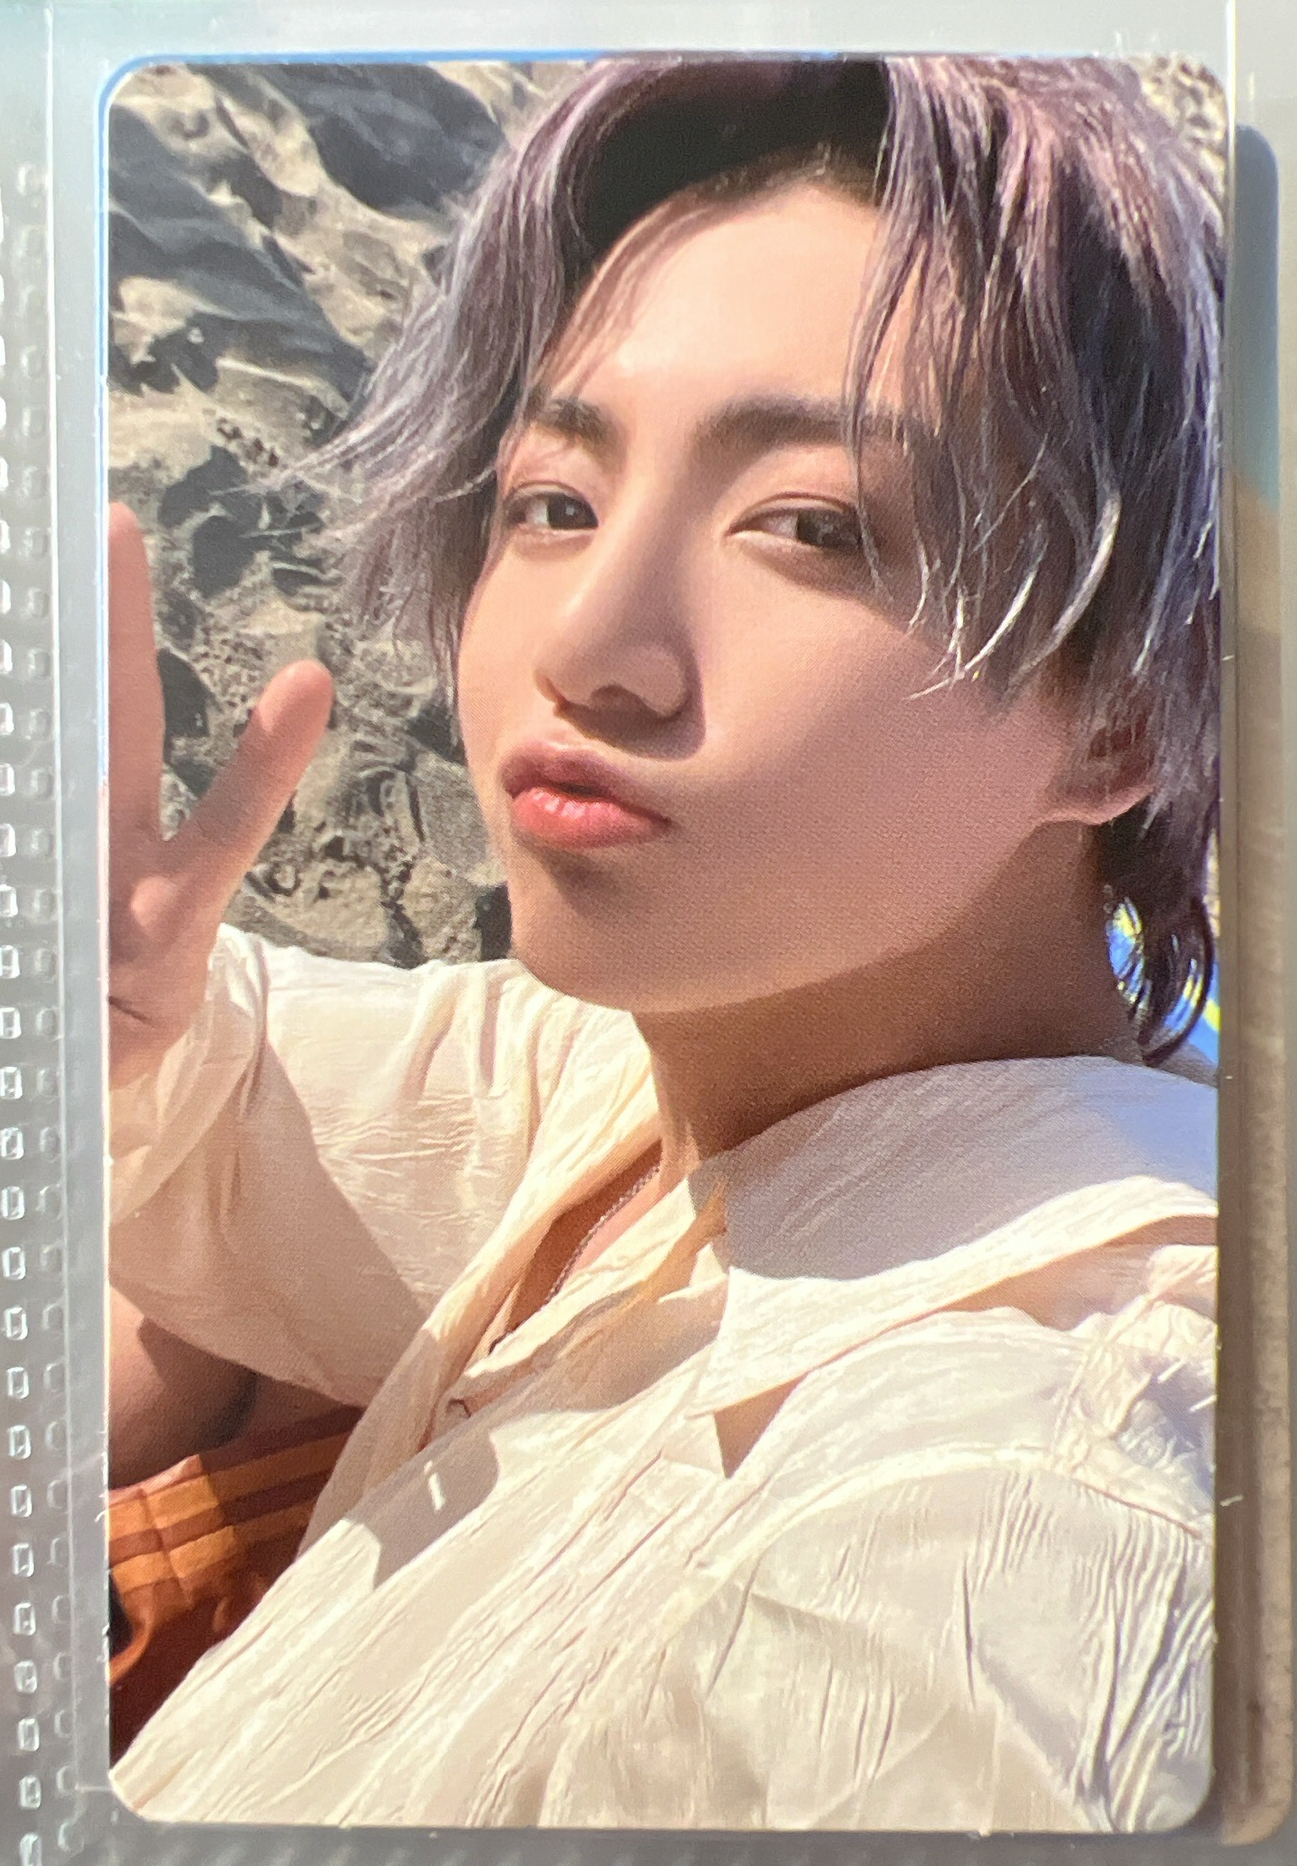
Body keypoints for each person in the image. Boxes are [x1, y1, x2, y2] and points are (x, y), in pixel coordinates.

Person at [107, 53, 1221, 1831]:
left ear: (1119, 721)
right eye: (554, 498)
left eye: (810, 526)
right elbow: (232, 1095)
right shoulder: (696, 1056)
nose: (588, 644)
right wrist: (109, 999)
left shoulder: (995, 1530)